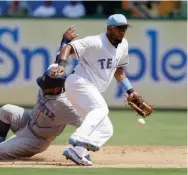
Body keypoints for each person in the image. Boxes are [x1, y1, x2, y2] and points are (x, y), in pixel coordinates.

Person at [0, 26, 92, 166]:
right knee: (5, 110)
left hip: (38, 140)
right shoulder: (54, 74)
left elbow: (88, 125)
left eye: (46, 86)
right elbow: (58, 58)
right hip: (28, 122)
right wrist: (65, 40)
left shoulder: (66, 105)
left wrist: (84, 150)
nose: (43, 87)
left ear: (56, 88)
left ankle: (0, 148)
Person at [51, 14, 141, 152]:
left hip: (89, 88)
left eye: (124, 28)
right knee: (101, 109)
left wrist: (130, 91)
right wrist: (62, 65)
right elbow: (67, 47)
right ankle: (79, 136)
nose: (122, 31)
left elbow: (119, 71)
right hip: (79, 82)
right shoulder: (95, 41)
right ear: (109, 28)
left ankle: (76, 152)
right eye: (119, 28)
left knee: (105, 129)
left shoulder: (124, 44)